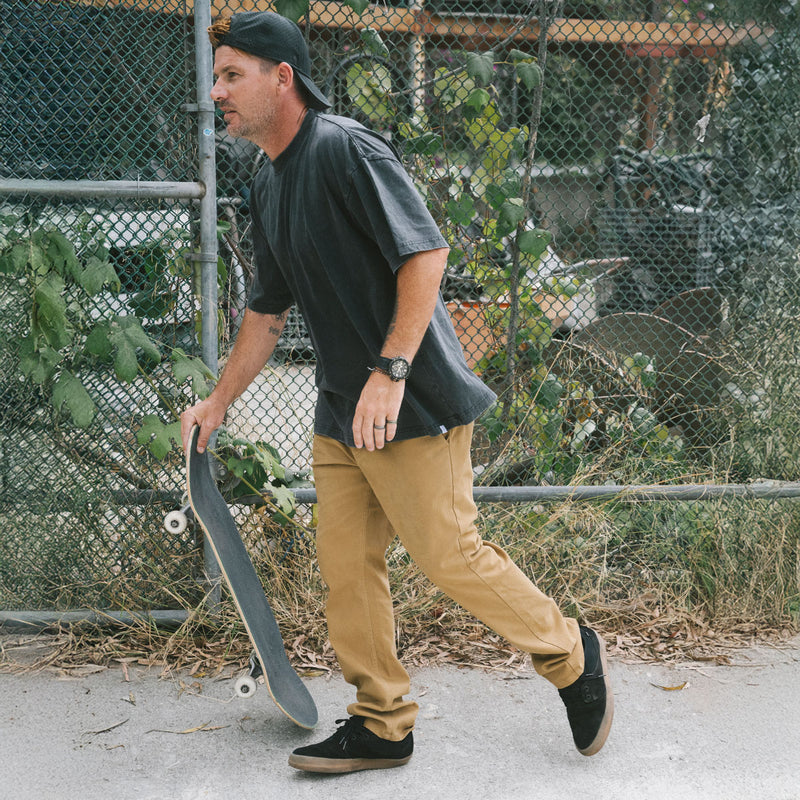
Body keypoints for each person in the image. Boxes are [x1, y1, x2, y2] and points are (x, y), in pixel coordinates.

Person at [181, 10, 613, 774]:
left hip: (410, 400)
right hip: (340, 411)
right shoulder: (267, 182)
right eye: (217, 77)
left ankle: (570, 653)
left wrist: (391, 372)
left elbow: (426, 256)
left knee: (450, 556)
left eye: (231, 76)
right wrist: (218, 403)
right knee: (347, 569)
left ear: (282, 78)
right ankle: (382, 722)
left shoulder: (344, 149)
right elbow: (266, 314)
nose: (217, 91)